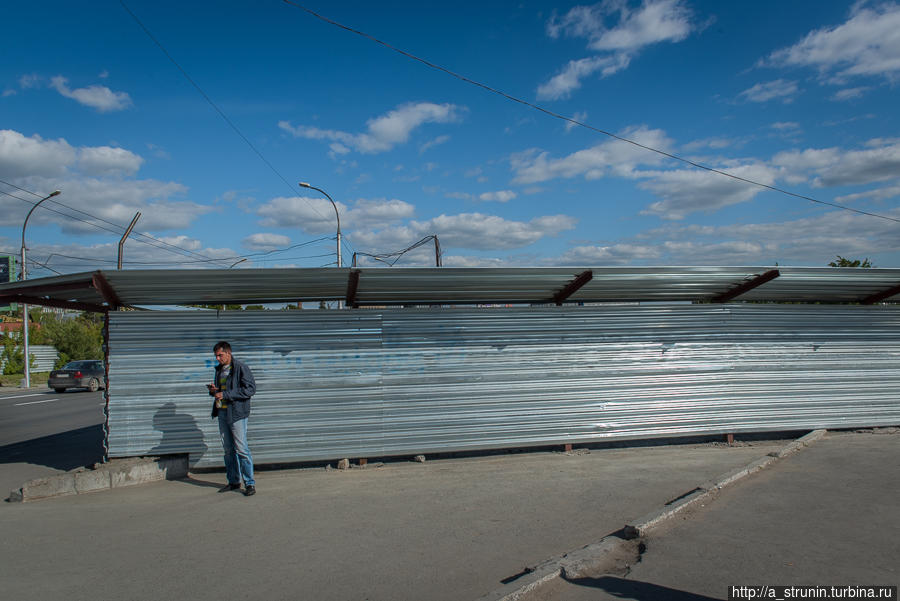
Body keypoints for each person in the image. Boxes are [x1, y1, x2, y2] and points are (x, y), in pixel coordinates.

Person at [208, 341, 257, 496]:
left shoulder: (241, 368)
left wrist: (226, 394)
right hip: (222, 412)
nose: (217, 358)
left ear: (228, 353)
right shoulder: (220, 370)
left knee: (241, 449)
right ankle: (234, 481)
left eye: (220, 355)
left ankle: (249, 484)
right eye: (216, 356)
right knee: (228, 450)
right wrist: (214, 391)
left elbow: (250, 389)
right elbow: (223, 391)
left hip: (236, 414)